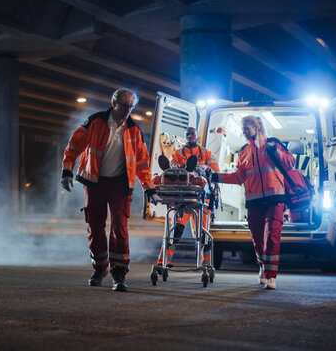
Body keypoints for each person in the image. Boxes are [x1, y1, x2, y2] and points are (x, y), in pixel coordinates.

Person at [60, 88, 156, 292]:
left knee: (119, 229)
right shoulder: (95, 122)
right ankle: (99, 269)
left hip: (120, 185)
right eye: (125, 106)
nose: (128, 111)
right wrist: (66, 171)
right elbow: (73, 146)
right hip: (94, 182)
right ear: (114, 104)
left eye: (131, 107)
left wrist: (148, 188)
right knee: (95, 227)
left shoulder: (134, 130)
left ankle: (119, 273)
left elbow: (142, 163)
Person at [211, 116, 295, 289]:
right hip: (254, 201)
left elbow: (290, 163)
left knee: (272, 237)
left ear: (257, 128)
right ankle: (263, 267)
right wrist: (215, 176)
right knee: (257, 240)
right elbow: (238, 177)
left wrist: (276, 152)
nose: (244, 131)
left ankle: (271, 277)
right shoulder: (244, 153)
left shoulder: (274, 144)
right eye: (243, 128)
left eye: (247, 128)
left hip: (275, 200)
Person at [156, 127, 219, 269]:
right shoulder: (177, 153)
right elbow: (171, 165)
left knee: (203, 234)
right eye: (187, 134)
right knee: (174, 231)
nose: (190, 136)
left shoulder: (206, 153)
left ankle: (206, 264)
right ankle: (163, 261)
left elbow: (215, 171)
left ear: (197, 136)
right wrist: (175, 165)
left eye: (192, 134)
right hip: (182, 198)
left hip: (202, 199)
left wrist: (205, 167)